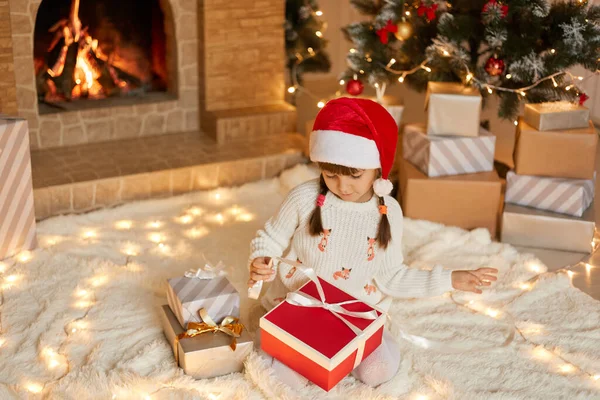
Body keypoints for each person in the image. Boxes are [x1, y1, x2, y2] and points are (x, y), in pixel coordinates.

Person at [247, 97, 498, 389]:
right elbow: (271, 237)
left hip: (355, 312)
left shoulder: (388, 212)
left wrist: (451, 279)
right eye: (331, 174)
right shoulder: (304, 197)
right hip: (304, 307)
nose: (343, 186)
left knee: (379, 371)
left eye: (355, 175)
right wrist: (261, 259)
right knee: (282, 379)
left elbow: (393, 276)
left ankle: (363, 342)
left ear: (377, 168)